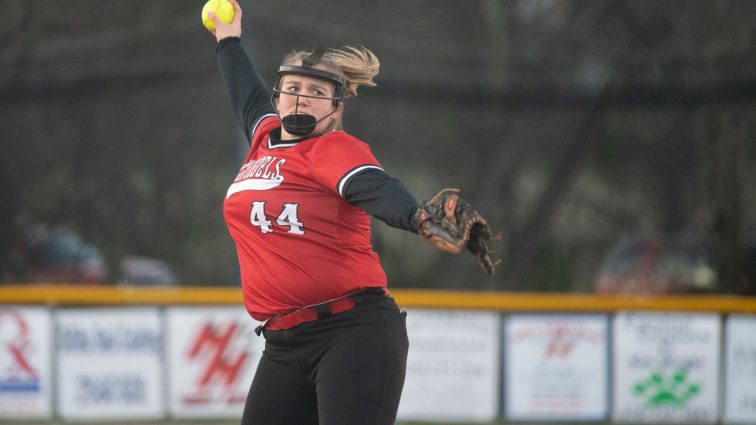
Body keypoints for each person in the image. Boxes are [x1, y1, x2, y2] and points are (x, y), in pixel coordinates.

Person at [205, 1, 496, 424]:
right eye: (293, 88)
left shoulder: (331, 149)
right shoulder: (264, 137)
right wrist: (228, 39)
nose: (302, 98)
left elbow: (372, 186)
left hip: (353, 334)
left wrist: (415, 216)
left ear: (336, 108)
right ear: (278, 96)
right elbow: (243, 90)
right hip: (283, 344)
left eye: (318, 92)